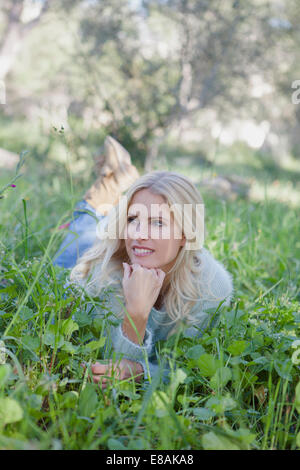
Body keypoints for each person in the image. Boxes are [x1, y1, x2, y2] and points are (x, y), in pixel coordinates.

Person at [53, 136, 234, 388]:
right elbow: (108, 368)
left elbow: (189, 373)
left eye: (158, 222)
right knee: (80, 237)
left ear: (185, 234)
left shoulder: (212, 288)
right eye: (133, 219)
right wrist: (136, 312)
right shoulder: (103, 273)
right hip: (96, 249)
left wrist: (139, 371)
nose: (139, 234)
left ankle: (117, 187)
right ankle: (107, 191)